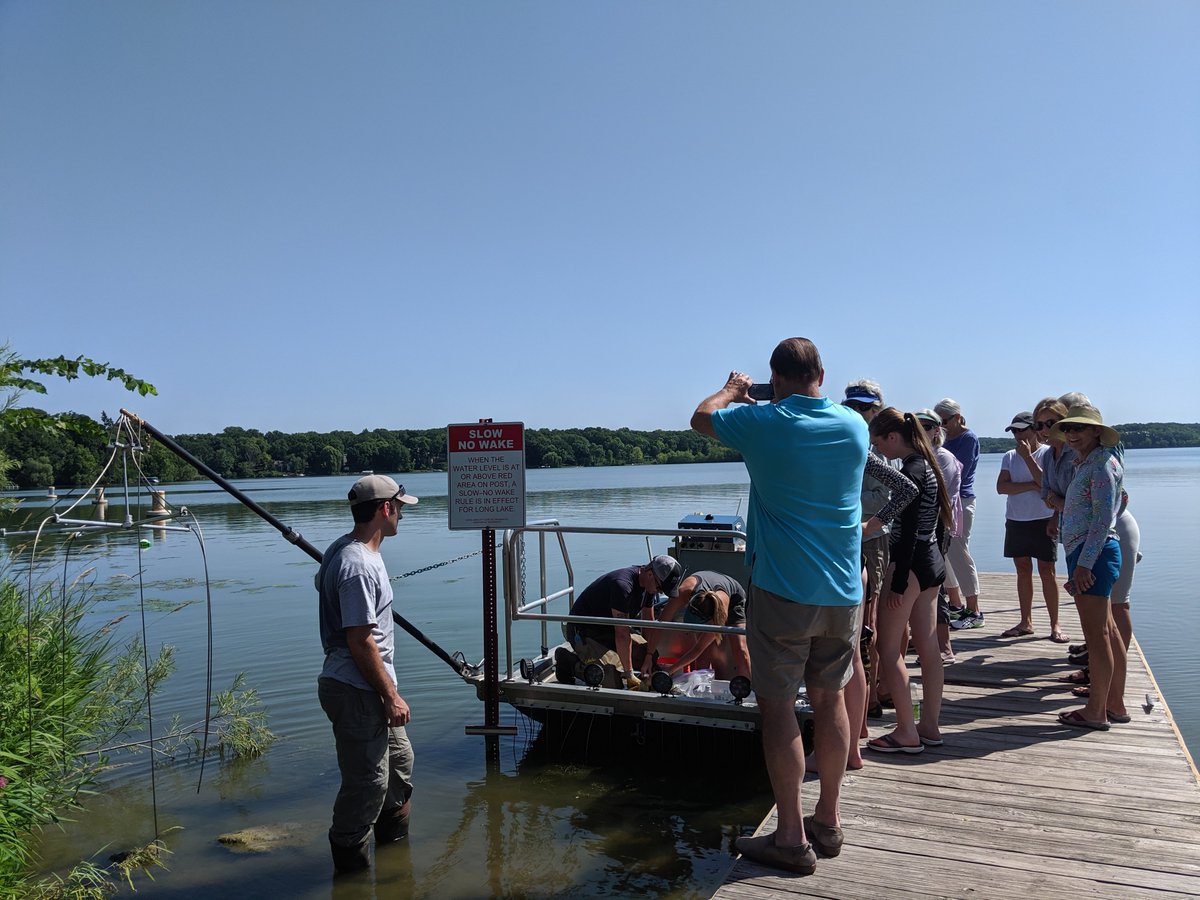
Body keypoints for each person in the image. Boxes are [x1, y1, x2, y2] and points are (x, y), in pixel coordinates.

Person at [692, 337, 868, 875]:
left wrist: (733, 391)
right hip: (842, 591)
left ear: (777, 376)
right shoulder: (854, 426)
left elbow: (701, 419)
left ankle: (790, 837)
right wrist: (769, 401)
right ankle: (829, 821)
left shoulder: (765, 422)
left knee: (778, 707)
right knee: (831, 699)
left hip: (783, 591)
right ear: (822, 372)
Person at [316, 474, 419, 873]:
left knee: (399, 767)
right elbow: (359, 641)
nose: (401, 516)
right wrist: (390, 695)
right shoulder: (356, 564)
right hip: (357, 688)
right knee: (367, 786)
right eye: (400, 508)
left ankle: (396, 864)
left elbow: (323, 588)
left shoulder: (346, 549)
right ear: (384, 509)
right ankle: (351, 872)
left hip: (369, 684)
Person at [864, 408, 951, 753]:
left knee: (887, 648)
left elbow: (910, 529)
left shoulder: (912, 471)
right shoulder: (928, 465)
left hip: (910, 564)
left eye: (877, 444)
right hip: (932, 562)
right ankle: (929, 725)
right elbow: (942, 522)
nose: (878, 452)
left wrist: (898, 581)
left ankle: (905, 731)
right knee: (929, 648)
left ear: (892, 437)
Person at [1050, 406, 1127, 730]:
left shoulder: (1100, 466)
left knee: (1097, 637)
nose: (1071, 434)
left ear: (1097, 431)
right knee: (1106, 632)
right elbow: (1121, 500)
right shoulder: (1090, 463)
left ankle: (1096, 711)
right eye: (1068, 429)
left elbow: (1102, 520)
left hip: (1092, 554)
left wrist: (1083, 564)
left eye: (1080, 428)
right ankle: (1114, 703)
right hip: (1088, 552)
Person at [561, 555, 683, 685]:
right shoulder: (623, 585)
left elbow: (649, 623)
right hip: (585, 631)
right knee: (610, 678)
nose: (659, 592)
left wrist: (648, 656)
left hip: (611, 629)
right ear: (650, 574)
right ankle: (569, 662)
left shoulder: (649, 588)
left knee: (651, 657)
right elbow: (622, 634)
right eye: (659, 588)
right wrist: (629, 673)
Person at [996, 412, 1065, 642]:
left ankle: (1055, 625)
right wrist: (1032, 485)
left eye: (1021, 430)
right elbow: (1001, 487)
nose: (1017, 435)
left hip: (1044, 519)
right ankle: (1026, 622)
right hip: (1017, 519)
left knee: (1048, 572)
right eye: (1013, 431)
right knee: (1023, 570)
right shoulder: (1008, 456)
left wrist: (1027, 459)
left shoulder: (1047, 453)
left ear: (1034, 429)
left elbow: (1046, 484)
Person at [639, 570, 750, 679]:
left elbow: (698, 649)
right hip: (705, 592)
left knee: (740, 649)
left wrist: (668, 671)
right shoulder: (683, 592)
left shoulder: (720, 614)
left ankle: (749, 688)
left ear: (709, 620)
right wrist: (649, 655)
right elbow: (660, 626)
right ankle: (700, 684)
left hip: (734, 599)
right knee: (703, 654)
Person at [916, 409, 962, 665]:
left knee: (936, 586)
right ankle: (926, 638)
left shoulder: (942, 457)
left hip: (938, 527)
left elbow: (932, 495)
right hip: (922, 528)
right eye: (917, 425)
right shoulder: (917, 457)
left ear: (937, 430)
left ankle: (944, 647)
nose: (921, 429)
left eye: (927, 425)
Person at [935, 398, 985, 630]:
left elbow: (958, 473)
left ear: (957, 418)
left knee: (959, 551)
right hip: (941, 501)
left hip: (961, 500)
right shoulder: (940, 437)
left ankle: (974, 610)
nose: (941, 426)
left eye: (944, 421)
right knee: (943, 552)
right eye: (937, 422)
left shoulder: (968, 438)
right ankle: (955, 604)